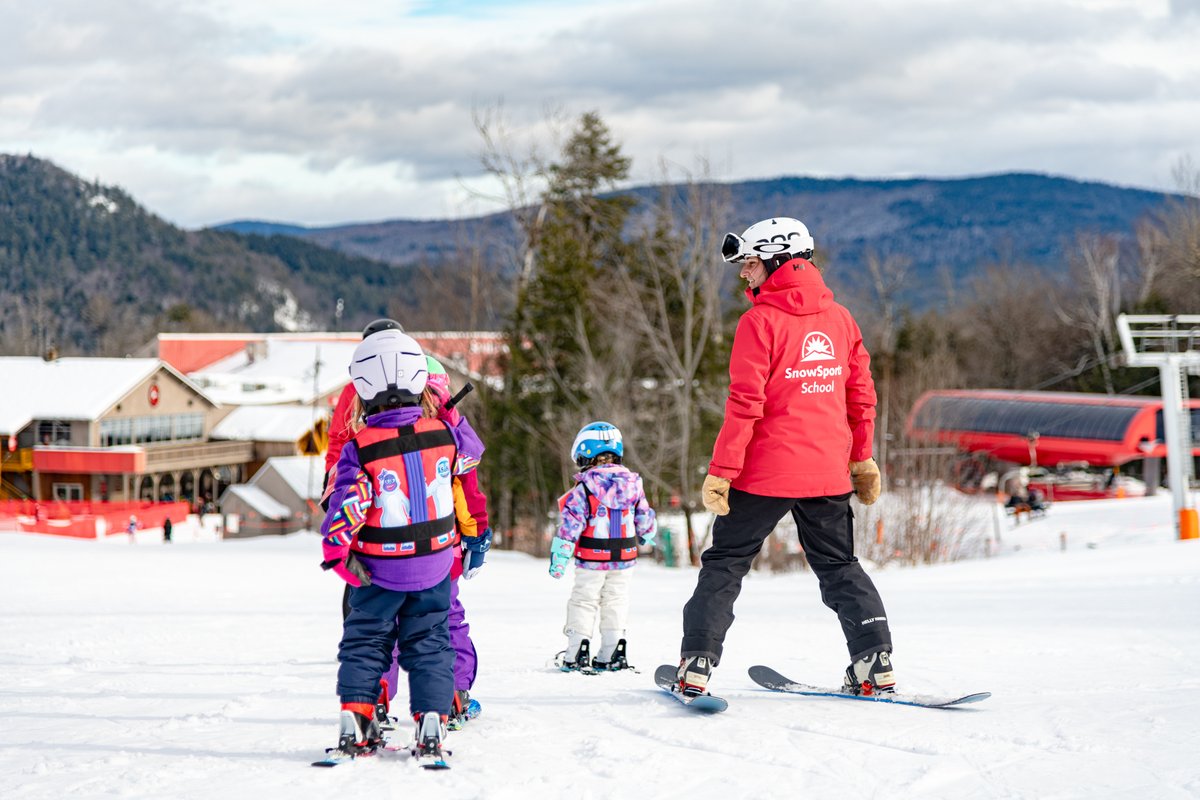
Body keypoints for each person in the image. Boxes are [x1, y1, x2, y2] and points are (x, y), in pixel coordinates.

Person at [675, 216, 894, 699]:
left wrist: (722, 472)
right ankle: (874, 662)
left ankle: (696, 664)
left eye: (750, 264)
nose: (743, 274)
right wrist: (861, 459)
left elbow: (744, 405)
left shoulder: (759, 322)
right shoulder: (841, 319)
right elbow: (862, 398)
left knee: (725, 563)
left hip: (764, 475)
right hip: (827, 474)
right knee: (840, 566)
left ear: (776, 261)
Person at [319, 329, 483, 760]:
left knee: (367, 640)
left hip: (379, 571)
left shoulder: (361, 447)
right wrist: (448, 414)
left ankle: (358, 718)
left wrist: (338, 554)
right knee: (431, 642)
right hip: (433, 567)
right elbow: (472, 454)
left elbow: (347, 505)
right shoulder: (443, 437)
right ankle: (431, 719)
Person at [550, 422, 656, 671]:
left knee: (584, 600)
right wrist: (647, 535)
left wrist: (559, 557)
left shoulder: (585, 487)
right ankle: (613, 651)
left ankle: (577, 651)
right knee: (616, 599)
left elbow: (570, 525)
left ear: (585, 453)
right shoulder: (633, 484)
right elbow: (644, 516)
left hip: (592, 556)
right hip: (625, 556)